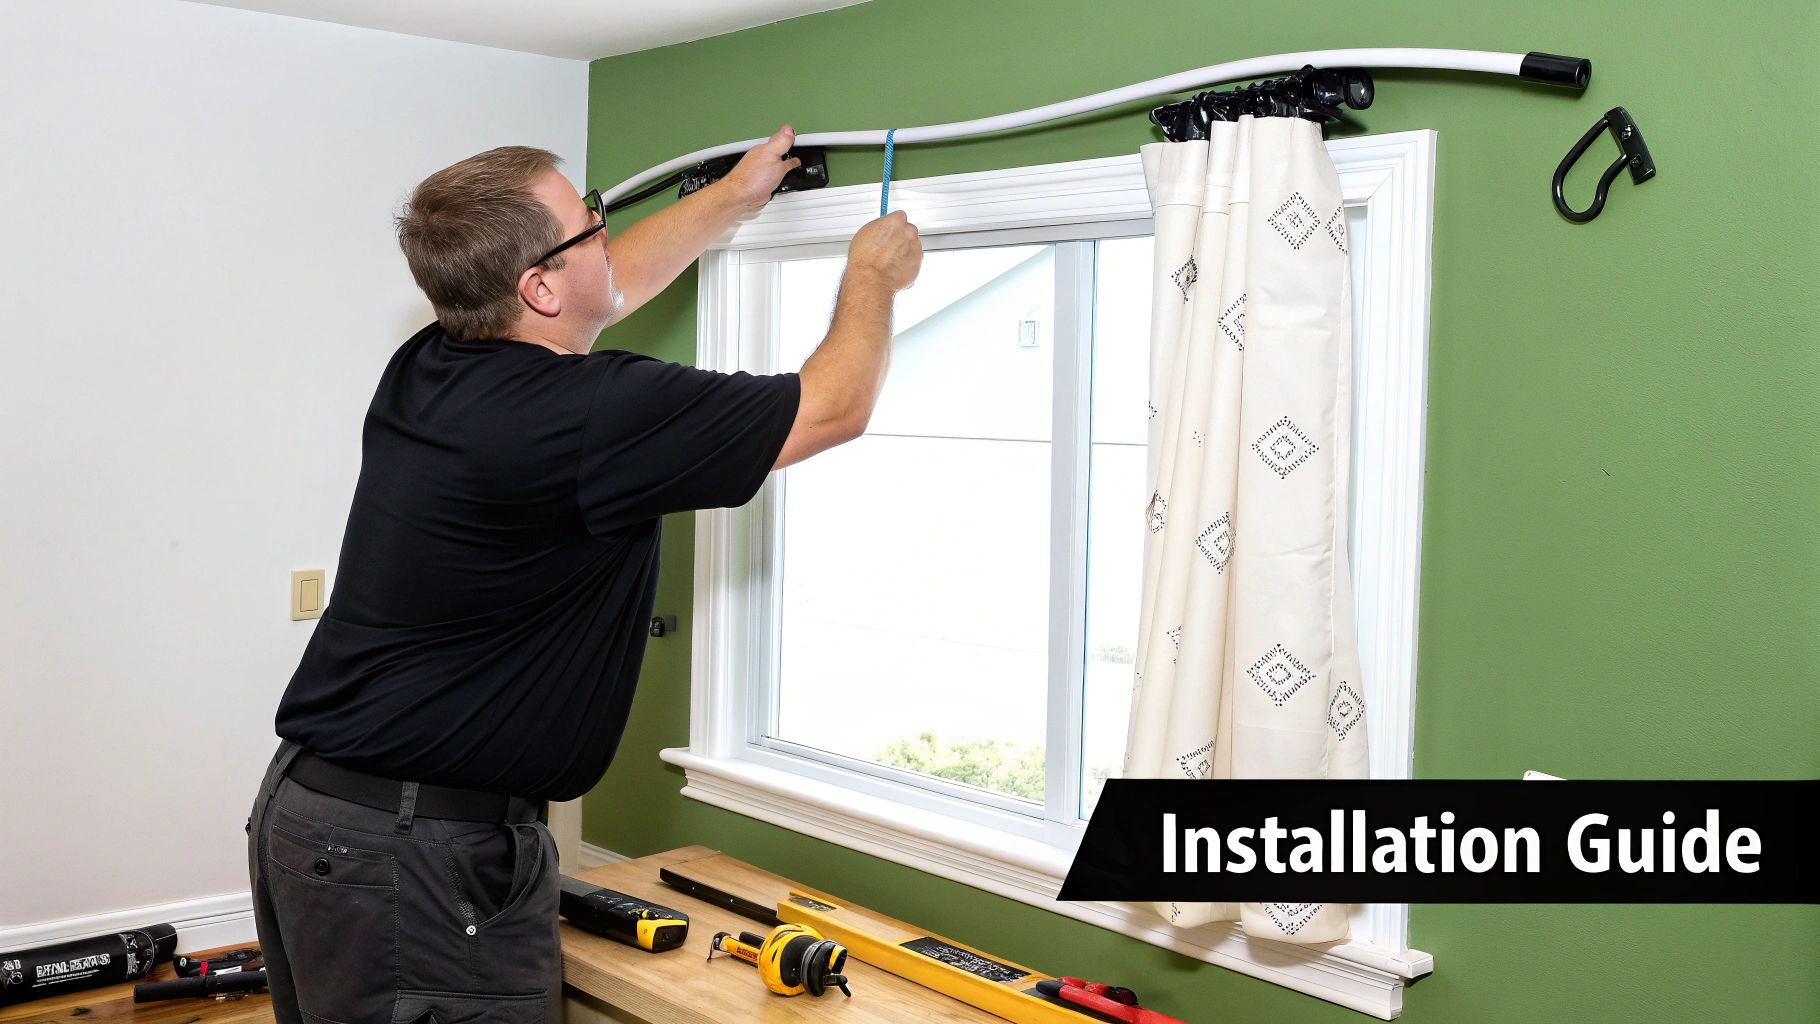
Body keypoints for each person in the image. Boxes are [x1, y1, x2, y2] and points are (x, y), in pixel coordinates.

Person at [245, 125, 922, 1024]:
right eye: (589, 221)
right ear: (536, 285)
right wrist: (873, 274)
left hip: (318, 817)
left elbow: (607, 283)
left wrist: (732, 196)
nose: (606, 227)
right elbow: (834, 406)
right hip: (419, 853)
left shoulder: (430, 363)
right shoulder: (591, 413)